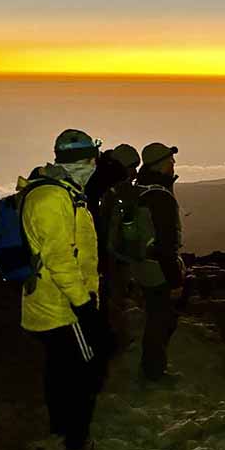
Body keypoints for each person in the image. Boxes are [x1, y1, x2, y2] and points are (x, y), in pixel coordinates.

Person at [21, 129, 110, 450]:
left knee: (59, 369)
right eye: (93, 159)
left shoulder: (60, 192)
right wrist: (85, 306)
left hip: (51, 301)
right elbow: (61, 261)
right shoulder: (53, 199)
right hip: (62, 306)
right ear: (85, 160)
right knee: (85, 372)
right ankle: (76, 440)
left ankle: (60, 428)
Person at [133, 142, 186, 382]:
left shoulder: (140, 189)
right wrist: (175, 279)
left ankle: (152, 366)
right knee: (161, 319)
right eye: (169, 161)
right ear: (160, 165)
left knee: (156, 316)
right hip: (158, 270)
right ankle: (154, 371)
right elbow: (166, 243)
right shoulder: (160, 197)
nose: (173, 164)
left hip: (142, 265)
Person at [98, 144, 141, 351]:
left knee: (111, 298)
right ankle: (114, 342)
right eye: (133, 167)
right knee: (114, 298)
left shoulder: (101, 186)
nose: (135, 172)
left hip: (105, 254)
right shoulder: (117, 191)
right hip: (112, 256)